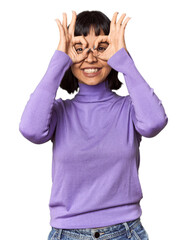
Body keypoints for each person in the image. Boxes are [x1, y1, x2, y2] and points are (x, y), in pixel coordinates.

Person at [19, 10, 168, 240]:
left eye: (101, 48)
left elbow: (154, 123)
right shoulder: (59, 112)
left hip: (126, 231)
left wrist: (124, 60)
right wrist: (60, 59)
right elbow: (30, 130)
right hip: (66, 233)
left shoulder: (129, 109)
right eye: (80, 49)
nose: (90, 58)